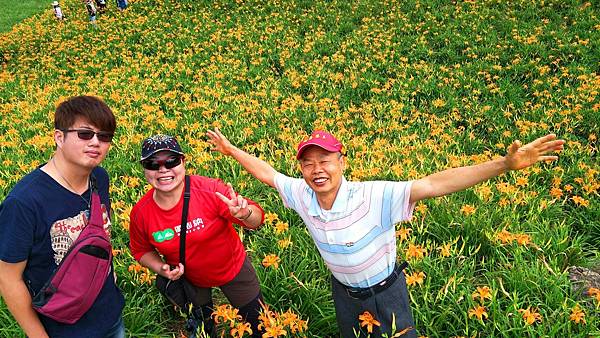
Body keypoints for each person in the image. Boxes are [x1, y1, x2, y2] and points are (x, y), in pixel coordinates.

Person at [207, 128, 565, 338]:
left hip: (386, 292)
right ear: (301, 167)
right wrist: (229, 149)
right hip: (344, 292)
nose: (317, 169)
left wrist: (503, 165)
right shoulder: (301, 193)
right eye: (308, 162)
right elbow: (267, 173)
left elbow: (433, 183)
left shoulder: (373, 194)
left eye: (325, 160)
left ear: (342, 162)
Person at [0, 95, 125, 338]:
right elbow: (8, 279)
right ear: (59, 137)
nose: (96, 143)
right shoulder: (23, 203)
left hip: (110, 317)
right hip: (62, 330)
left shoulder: (100, 178)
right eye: (85, 134)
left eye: (105, 136)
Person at [129, 135, 266, 338]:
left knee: (260, 325)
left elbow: (257, 219)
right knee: (204, 329)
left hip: (233, 268)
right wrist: (162, 269)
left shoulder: (210, 191)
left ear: (183, 162)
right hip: (191, 279)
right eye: (153, 164)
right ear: (144, 169)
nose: (163, 169)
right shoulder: (141, 213)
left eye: (171, 161)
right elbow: (141, 250)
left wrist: (245, 214)